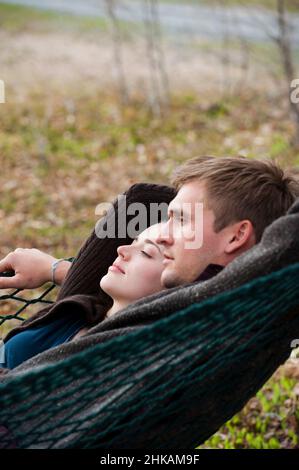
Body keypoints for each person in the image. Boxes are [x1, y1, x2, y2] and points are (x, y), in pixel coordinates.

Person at [0, 155, 298, 370]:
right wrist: (56, 269)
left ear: (236, 237)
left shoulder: (189, 326)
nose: (165, 235)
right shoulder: (206, 302)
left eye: (180, 219)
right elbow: (143, 202)